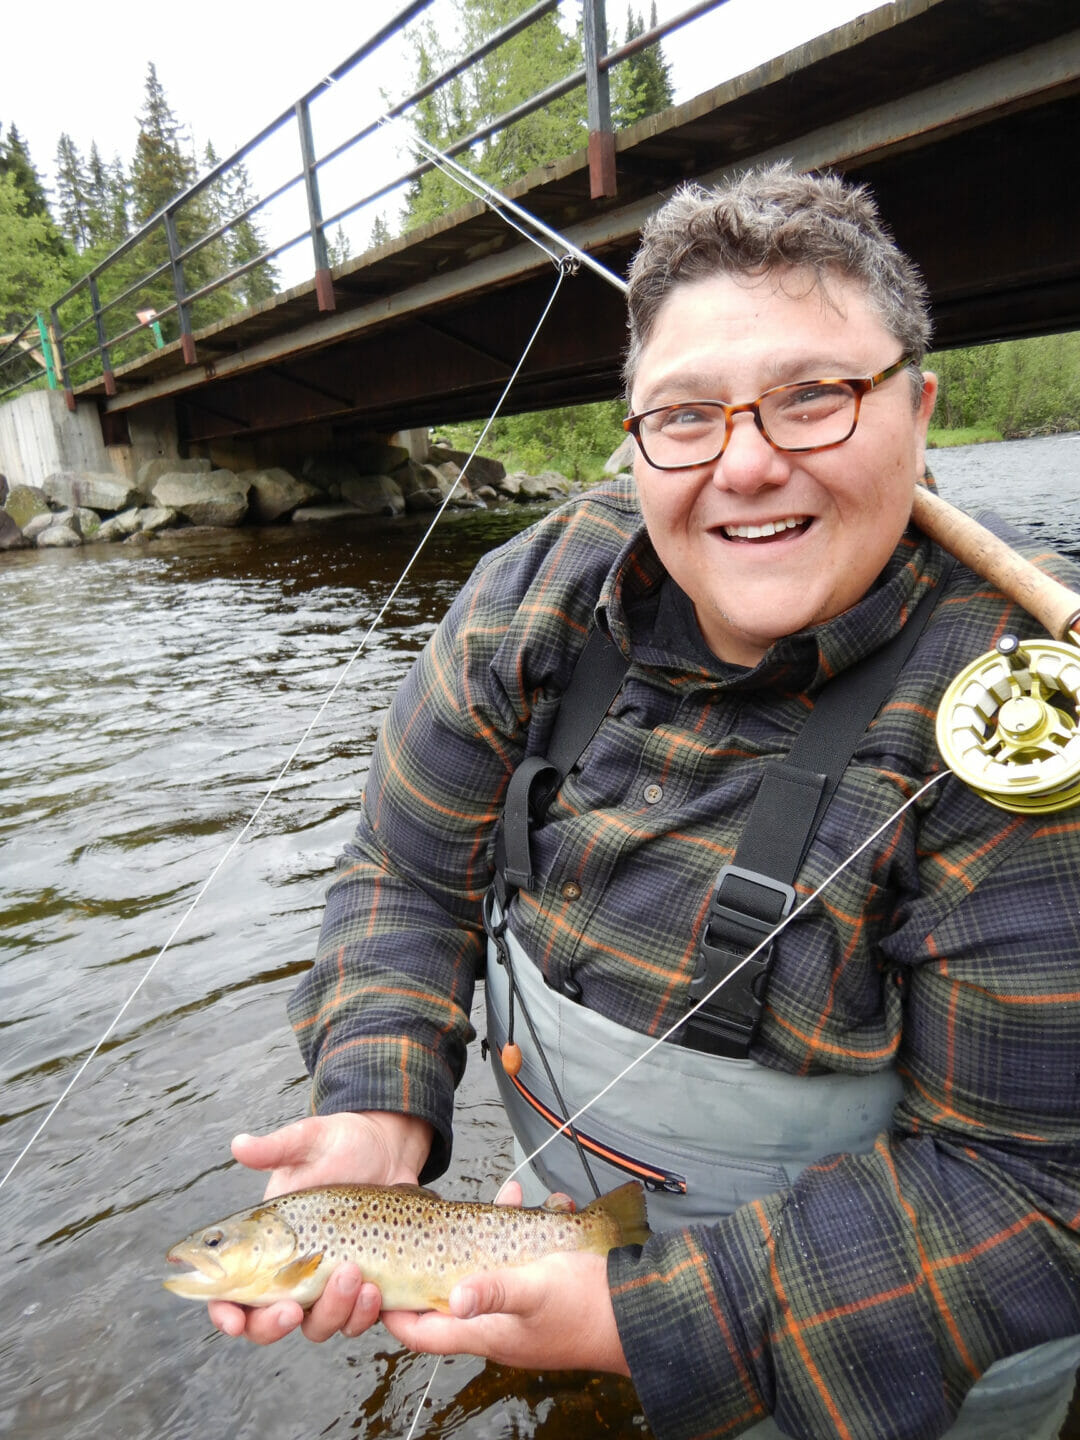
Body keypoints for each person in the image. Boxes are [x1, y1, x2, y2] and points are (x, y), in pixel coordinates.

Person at [209, 166, 1080, 1439]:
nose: (746, 465)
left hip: (909, 1372)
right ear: (634, 437)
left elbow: (1038, 1192)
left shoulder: (1028, 725)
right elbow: (405, 872)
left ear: (920, 408)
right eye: (685, 416)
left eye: (814, 398)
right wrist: (377, 1105)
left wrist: (631, 1321)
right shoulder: (537, 592)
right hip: (576, 1247)